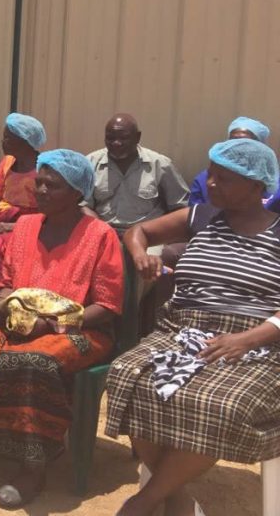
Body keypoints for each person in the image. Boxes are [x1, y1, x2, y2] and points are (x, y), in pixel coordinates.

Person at [0, 150, 123, 509]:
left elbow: (107, 306)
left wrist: (53, 324)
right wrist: (7, 307)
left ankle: (33, 465)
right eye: (40, 182)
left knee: (33, 362)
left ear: (77, 192)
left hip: (79, 329)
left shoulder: (100, 235)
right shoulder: (25, 226)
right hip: (20, 319)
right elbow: (4, 281)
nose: (41, 190)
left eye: (54, 185)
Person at [105, 139, 280, 516]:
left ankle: (144, 500)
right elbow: (138, 232)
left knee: (221, 403)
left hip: (257, 340)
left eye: (224, 179)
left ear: (256, 186)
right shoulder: (200, 216)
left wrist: (248, 339)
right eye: (211, 174)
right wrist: (139, 255)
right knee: (127, 376)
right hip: (182, 328)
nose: (210, 183)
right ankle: (176, 497)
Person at [86, 113, 189, 235]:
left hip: (148, 236)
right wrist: (102, 231)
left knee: (151, 254)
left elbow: (181, 208)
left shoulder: (160, 165)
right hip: (104, 233)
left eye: (123, 138)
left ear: (137, 137)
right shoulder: (90, 163)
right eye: (110, 138)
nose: (116, 143)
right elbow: (82, 206)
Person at [0, 112, 46, 286]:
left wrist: (14, 226)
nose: (3, 142)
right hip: (3, 217)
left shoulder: (42, 169)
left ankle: (0, 290)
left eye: (8, 139)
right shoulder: (7, 162)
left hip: (34, 222)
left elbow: (47, 212)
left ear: (26, 142)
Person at [189, 116, 274, 204]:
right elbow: (194, 214)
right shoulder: (205, 180)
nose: (237, 147)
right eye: (233, 141)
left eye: (245, 142)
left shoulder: (274, 183)